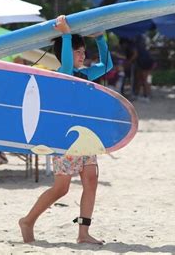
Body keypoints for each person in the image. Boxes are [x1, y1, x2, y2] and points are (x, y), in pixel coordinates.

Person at [19, 15, 113, 245]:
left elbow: (107, 65)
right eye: (78, 51)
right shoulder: (63, 72)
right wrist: (66, 33)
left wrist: (101, 38)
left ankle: (83, 233)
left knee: (91, 180)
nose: (83, 55)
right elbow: (69, 63)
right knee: (61, 189)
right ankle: (28, 220)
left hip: (86, 136)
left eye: (83, 51)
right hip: (64, 137)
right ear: (67, 54)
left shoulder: (85, 74)